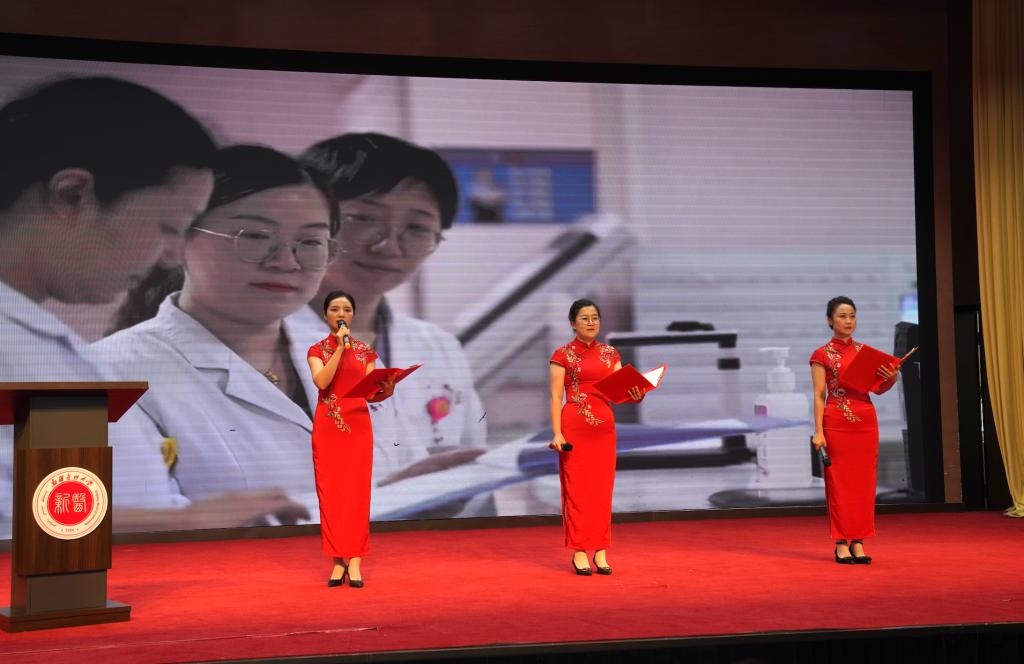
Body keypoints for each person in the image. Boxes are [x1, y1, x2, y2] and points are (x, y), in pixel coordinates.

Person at [0, 76, 301, 533]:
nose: (172, 256)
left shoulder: (40, 342)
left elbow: (64, 511)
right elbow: (19, 530)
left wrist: (186, 519)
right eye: (168, 225)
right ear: (72, 195)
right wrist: (189, 522)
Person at [93, 145, 338, 524]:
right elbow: (74, 528)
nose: (286, 261)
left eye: (310, 243)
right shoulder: (104, 373)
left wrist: (405, 488)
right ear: (179, 240)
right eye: (254, 236)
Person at [291, 133, 486, 503]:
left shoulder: (437, 346)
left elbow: (472, 472)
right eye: (363, 218)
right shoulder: (261, 343)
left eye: (417, 228)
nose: (388, 246)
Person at [548, 298, 643, 576]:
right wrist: (557, 433)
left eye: (595, 318)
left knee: (602, 490)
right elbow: (555, 396)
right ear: (572, 323)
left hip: (604, 428)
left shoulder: (610, 354)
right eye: (585, 318)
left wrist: (636, 394)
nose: (591, 323)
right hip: (575, 425)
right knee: (578, 490)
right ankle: (579, 551)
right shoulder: (562, 354)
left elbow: (621, 391)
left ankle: (601, 550)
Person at [308, 290, 395, 587]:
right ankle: (336, 561)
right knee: (331, 495)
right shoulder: (317, 350)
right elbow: (322, 381)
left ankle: (355, 560)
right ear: (326, 315)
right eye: (335, 309)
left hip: (358, 428)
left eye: (346, 309)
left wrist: (387, 390)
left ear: (353, 315)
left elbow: (370, 394)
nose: (341, 313)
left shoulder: (365, 351)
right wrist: (340, 349)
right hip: (328, 429)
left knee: (357, 495)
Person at [809, 296, 898, 564]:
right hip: (836, 423)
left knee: (864, 484)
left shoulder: (864, 352)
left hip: (865, 422)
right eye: (842, 316)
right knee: (839, 484)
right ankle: (840, 542)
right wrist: (818, 431)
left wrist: (891, 377)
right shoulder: (821, 354)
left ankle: (858, 540)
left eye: (852, 316)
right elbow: (819, 395)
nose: (848, 321)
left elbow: (878, 389)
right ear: (830, 320)